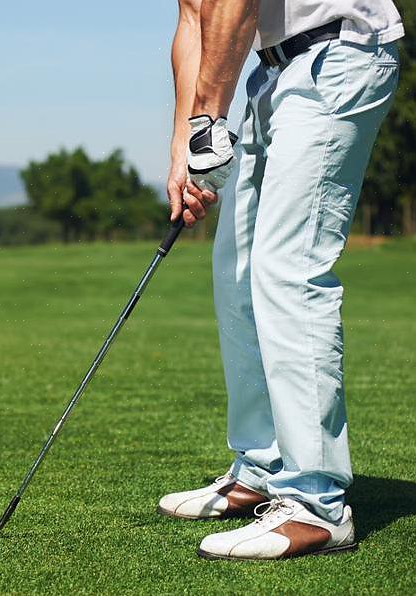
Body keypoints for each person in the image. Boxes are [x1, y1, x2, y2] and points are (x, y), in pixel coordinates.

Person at [158, 0, 403, 560]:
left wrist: (208, 118)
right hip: (273, 73)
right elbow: (194, 18)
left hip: (340, 54)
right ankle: (262, 466)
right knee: (237, 270)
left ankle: (317, 502)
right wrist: (184, 144)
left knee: (287, 269)